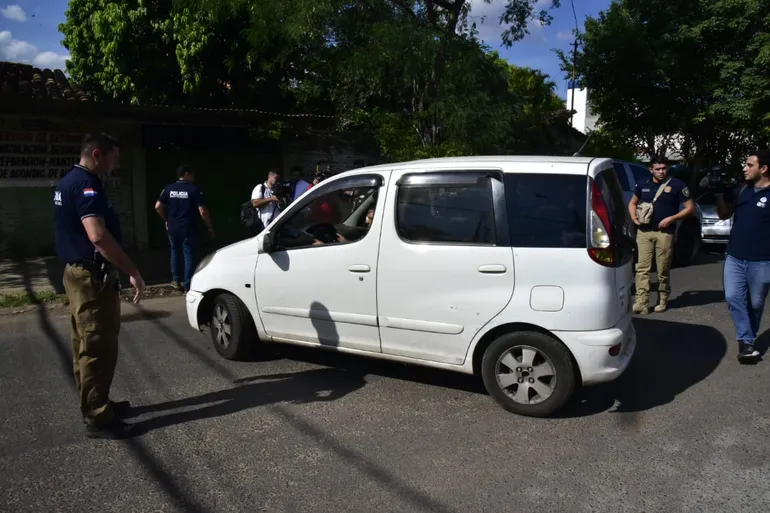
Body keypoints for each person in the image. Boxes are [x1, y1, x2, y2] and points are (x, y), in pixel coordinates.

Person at [54, 132, 145, 439]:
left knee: (85, 342)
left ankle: (97, 401)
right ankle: (97, 416)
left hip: (77, 273)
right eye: (113, 157)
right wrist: (132, 270)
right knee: (96, 345)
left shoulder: (68, 182)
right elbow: (97, 235)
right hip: (90, 276)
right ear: (97, 155)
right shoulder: (86, 185)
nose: (115, 163)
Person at [712, 149, 770, 362]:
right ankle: (745, 342)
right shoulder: (742, 190)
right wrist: (718, 193)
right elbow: (724, 214)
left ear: (763, 169)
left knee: (755, 304)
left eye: (749, 165)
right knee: (733, 296)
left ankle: (749, 339)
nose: (744, 168)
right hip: (735, 256)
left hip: (763, 260)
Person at [628, 155, 695, 314]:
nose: (661, 172)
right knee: (642, 268)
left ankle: (663, 298)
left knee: (662, 268)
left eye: (664, 168)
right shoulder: (643, 183)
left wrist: (671, 219)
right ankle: (641, 302)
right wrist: (634, 217)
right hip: (644, 232)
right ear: (651, 169)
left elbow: (689, 208)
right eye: (657, 169)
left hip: (664, 233)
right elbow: (632, 202)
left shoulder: (677, 185)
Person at [155, 164, 214, 292]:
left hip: (173, 227)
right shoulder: (194, 190)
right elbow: (203, 210)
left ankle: (176, 281)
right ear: (186, 174)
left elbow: (158, 206)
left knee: (175, 252)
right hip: (188, 228)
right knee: (189, 254)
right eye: (192, 175)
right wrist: (209, 226)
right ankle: (188, 285)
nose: (194, 178)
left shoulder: (169, 189)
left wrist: (166, 220)